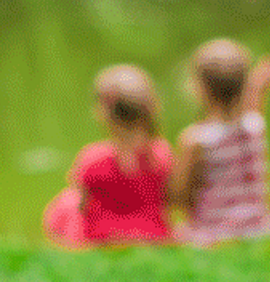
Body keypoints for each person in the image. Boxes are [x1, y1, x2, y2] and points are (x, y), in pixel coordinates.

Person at [42, 65, 174, 248]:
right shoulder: (162, 153)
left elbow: (82, 205)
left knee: (66, 201)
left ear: (103, 113)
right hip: (153, 234)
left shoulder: (93, 158)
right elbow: (168, 199)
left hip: (101, 238)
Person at [171, 38, 270, 246]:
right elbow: (252, 108)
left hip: (212, 232)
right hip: (258, 229)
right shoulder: (256, 127)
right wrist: (259, 86)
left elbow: (179, 197)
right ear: (244, 85)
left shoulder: (195, 140)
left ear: (199, 88)